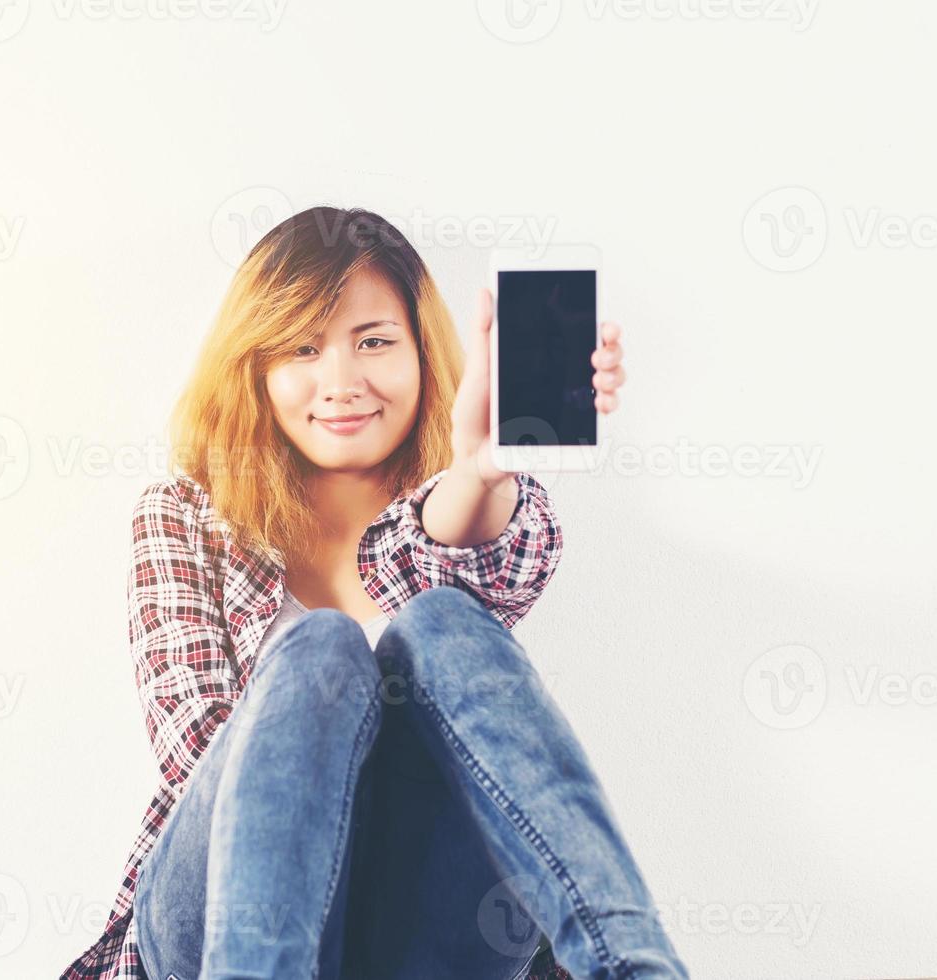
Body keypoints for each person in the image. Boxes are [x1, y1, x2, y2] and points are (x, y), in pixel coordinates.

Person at [60, 207, 686, 980]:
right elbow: (198, 755)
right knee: (319, 648)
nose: (342, 383)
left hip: (428, 927)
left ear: (423, 356)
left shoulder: (447, 519)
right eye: (301, 348)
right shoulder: (187, 518)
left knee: (442, 621)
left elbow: (498, 563)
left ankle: (635, 966)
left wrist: (477, 470)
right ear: (254, 367)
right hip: (225, 919)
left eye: (375, 342)